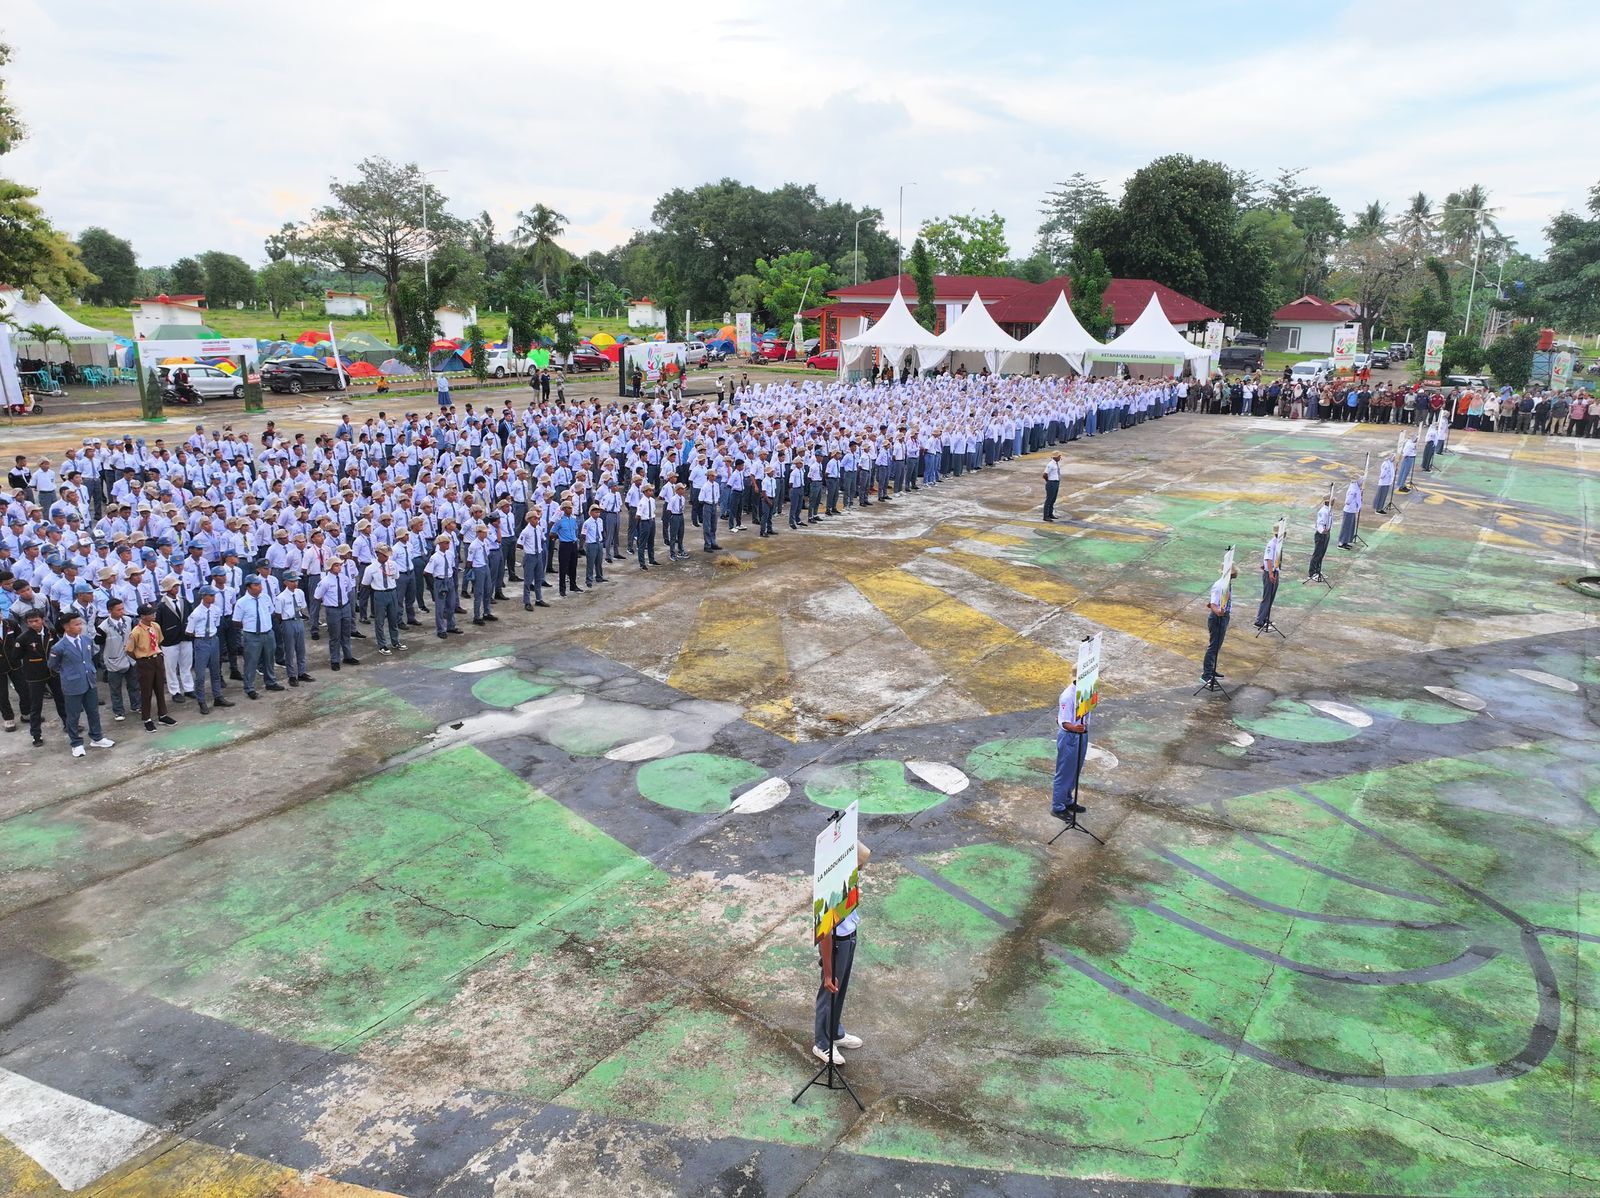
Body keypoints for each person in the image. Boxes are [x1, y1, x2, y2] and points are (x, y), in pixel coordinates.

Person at [814, 840, 871, 1066]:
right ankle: (822, 1043)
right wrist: (827, 972)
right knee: (829, 992)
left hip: (849, 938)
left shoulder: (848, 879)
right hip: (837, 943)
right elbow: (825, 933)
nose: (861, 868)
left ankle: (835, 1032)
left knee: (841, 990)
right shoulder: (831, 886)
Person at [50, 611, 113, 757]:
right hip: (73, 685)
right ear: (66, 627)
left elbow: (88, 658)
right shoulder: (59, 647)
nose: (80, 627)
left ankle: (96, 737)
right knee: (73, 715)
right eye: (76, 624)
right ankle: (76, 743)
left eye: (80, 623)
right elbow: (53, 665)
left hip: (89, 681)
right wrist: (69, 673)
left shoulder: (85, 640)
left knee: (93, 712)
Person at [127, 603, 175, 732]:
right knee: (146, 691)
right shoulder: (136, 631)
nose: (153, 615)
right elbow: (129, 650)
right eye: (150, 613)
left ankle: (162, 714)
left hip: (157, 659)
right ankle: (147, 719)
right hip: (145, 662)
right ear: (142, 616)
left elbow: (158, 641)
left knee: (160, 688)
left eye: (154, 612)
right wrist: (141, 659)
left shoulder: (156, 626)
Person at [234, 575, 282, 699]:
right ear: (248, 587)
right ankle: (249, 688)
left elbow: (272, 612)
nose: (259, 587)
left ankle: (270, 682)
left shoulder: (265, 598)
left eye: (260, 584)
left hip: (267, 632)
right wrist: (249, 629)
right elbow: (236, 622)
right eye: (256, 585)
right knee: (251, 662)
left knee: (269, 659)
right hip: (252, 635)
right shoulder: (241, 602)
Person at [1050, 671, 1090, 820]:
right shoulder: (1068, 696)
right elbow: (1063, 720)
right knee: (1065, 772)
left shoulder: (1084, 691)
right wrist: (1074, 728)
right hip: (1070, 736)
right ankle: (1058, 806)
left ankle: (1067, 800)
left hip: (1082, 734)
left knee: (1075, 770)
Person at [185, 584, 230, 713]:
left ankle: (218, 696)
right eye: (211, 595)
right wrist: (200, 637)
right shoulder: (196, 613)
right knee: (200, 674)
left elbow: (216, 624)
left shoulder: (216, 610)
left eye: (213, 595)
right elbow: (189, 631)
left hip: (213, 639)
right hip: (202, 641)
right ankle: (201, 701)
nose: (213, 598)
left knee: (215, 671)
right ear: (203, 596)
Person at [1201, 563, 1236, 687]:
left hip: (1223, 616)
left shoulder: (1226, 584)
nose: (1236, 574)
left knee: (1217, 646)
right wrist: (1219, 612)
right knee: (1213, 647)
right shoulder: (1219, 586)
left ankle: (1211, 669)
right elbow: (1213, 605)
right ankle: (1206, 675)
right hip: (1218, 618)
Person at [276, 571, 312, 683]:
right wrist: (284, 624)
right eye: (292, 581)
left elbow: (302, 607)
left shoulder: (299, 592)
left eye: (296, 581)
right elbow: (278, 614)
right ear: (286, 582)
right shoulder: (281, 597)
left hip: (298, 620)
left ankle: (302, 672)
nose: (295, 583)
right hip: (288, 622)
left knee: (301, 648)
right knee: (290, 649)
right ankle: (291, 675)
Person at [1254, 523, 1283, 629]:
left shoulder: (1277, 543)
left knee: (1271, 596)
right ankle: (1259, 620)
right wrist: (1270, 573)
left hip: (1274, 571)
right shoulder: (1272, 544)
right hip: (1271, 573)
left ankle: (1265, 617)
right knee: (1267, 597)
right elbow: (1268, 559)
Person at [1306, 495, 1332, 582]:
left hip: (1326, 534)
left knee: (1322, 553)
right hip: (1321, 535)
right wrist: (1323, 531)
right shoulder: (1323, 511)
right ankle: (1312, 572)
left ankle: (1318, 570)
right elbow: (1319, 524)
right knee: (1317, 554)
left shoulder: (1329, 510)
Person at [1336, 476, 1362, 550]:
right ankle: (1341, 543)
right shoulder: (1352, 490)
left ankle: (1346, 542)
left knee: (1350, 527)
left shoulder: (1355, 488)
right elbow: (1347, 501)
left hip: (1352, 510)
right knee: (1346, 527)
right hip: (1349, 510)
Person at [1042, 451, 1061, 522]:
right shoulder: (1050, 464)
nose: (1060, 457)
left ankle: (1050, 514)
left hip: (1056, 482)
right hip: (1051, 483)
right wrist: (1049, 481)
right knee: (1049, 500)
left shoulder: (1055, 463)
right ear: (1055, 457)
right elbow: (1044, 474)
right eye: (1059, 456)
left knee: (1053, 499)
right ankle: (1046, 516)